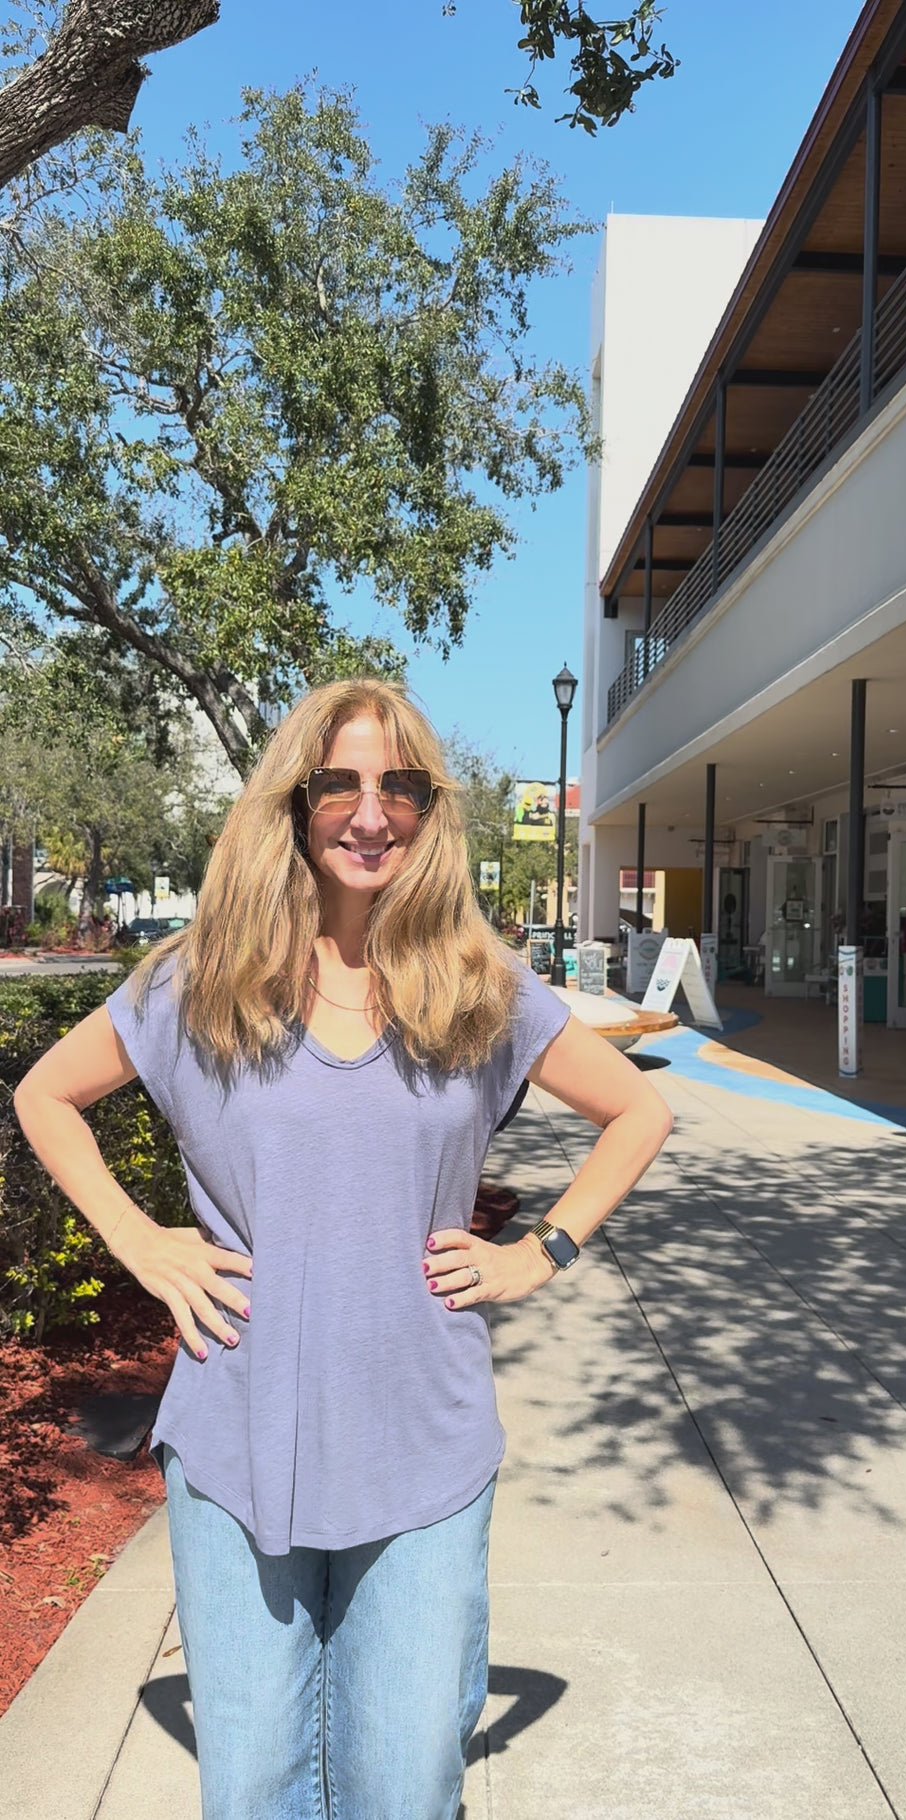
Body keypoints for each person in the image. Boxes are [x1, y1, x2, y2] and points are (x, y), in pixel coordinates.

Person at [14, 678, 673, 1820]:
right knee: (253, 1787)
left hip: (422, 1443)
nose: (372, 814)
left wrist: (539, 1253)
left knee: (403, 1785)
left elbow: (638, 1111)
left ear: (428, 810)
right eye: (340, 784)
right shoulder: (197, 983)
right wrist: (141, 1241)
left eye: (399, 787)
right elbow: (44, 1094)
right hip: (237, 1435)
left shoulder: (476, 983)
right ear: (293, 799)